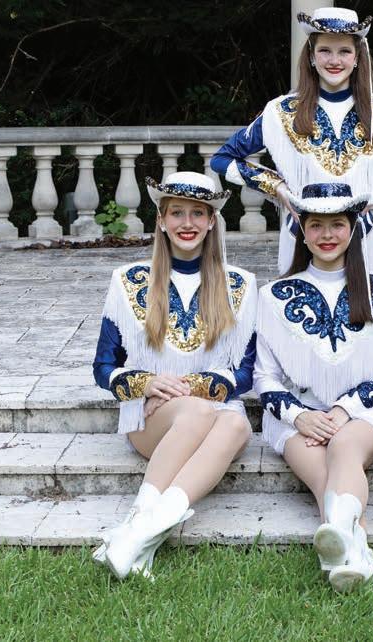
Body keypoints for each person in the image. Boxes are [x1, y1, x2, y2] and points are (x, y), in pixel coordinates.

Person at [91, 171, 257, 580]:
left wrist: (188, 388)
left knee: (238, 425)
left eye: (198, 213)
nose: (187, 223)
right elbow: (103, 367)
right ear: (161, 220)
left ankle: (138, 535)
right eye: (177, 213)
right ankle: (138, 523)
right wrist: (147, 383)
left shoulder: (241, 284)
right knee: (201, 412)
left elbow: (246, 372)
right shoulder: (128, 281)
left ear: (212, 221)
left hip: (216, 414)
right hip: (151, 418)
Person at [210, 6, 373, 273]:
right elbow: (222, 159)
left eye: (344, 51)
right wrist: (277, 188)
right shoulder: (281, 111)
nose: (334, 60)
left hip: (361, 238)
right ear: (311, 55)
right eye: (325, 50)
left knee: (363, 301)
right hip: (301, 238)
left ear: (358, 57)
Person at [254, 182, 373, 592]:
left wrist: (343, 410)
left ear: (353, 229)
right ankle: (359, 556)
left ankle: (341, 544)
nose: (327, 235)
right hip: (295, 416)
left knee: (344, 449)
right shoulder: (271, 296)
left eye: (337, 224)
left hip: (363, 412)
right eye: (316, 225)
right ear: (301, 231)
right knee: (324, 477)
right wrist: (299, 416)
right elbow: (264, 377)